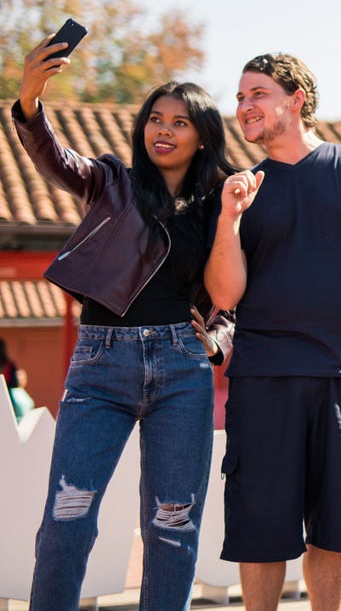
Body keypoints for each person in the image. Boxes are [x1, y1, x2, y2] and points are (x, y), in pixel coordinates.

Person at [13, 31, 235, 609]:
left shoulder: (219, 206)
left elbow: (233, 298)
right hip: (100, 363)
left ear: (203, 135)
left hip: (182, 368)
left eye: (180, 122)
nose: (163, 129)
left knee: (172, 525)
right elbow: (54, 158)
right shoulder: (112, 182)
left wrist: (214, 341)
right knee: (67, 518)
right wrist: (30, 101)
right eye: (155, 118)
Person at [204, 53, 341, 611]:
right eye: (240, 97)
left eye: (258, 94)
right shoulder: (241, 189)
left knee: (336, 530)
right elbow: (225, 296)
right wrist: (229, 218)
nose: (244, 107)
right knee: (260, 529)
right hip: (262, 380)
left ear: (296, 99)